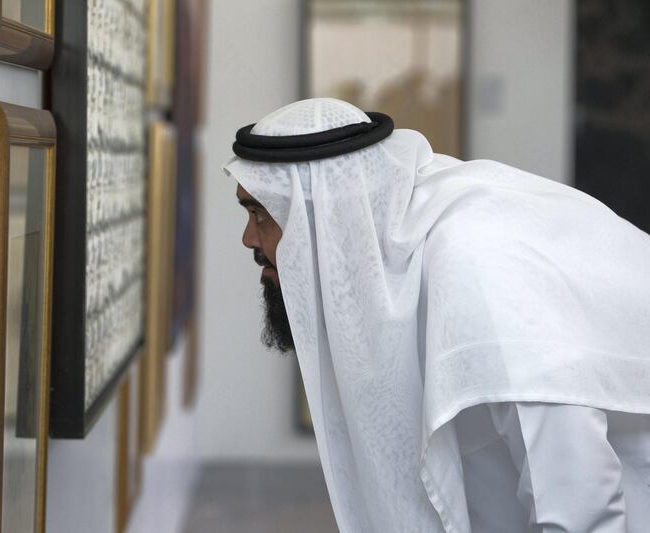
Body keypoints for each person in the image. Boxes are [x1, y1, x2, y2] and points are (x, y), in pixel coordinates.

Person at [223, 98, 650, 533]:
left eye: (262, 213)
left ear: (326, 212)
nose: (248, 237)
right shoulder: (398, 265)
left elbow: (578, 506)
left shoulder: (476, 266)